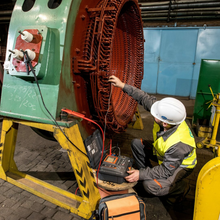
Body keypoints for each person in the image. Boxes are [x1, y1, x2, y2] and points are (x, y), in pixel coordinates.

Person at [108, 75, 197, 204]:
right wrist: (122, 85)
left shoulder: (179, 144)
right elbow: (144, 97)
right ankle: (145, 173)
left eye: (156, 115)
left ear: (165, 123)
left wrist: (141, 174)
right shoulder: (169, 116)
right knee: (137, 143)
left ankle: (181, 188)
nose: (153, 112)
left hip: (181, 165)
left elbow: (166, 169)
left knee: (151, 186)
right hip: (164, 154)